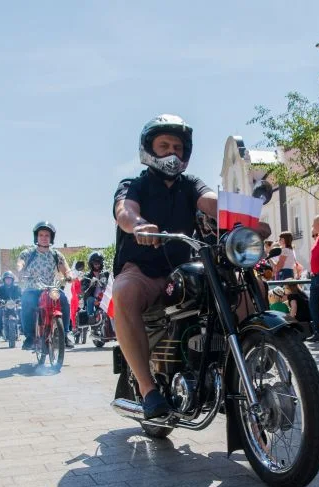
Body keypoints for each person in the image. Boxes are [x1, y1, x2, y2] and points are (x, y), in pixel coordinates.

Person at [112, 114, 269, 420]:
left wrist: (248, 220)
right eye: (164, 145)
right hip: (143, 271)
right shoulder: (134, 185)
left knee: (247, 285)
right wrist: (139, 226)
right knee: (124, 291)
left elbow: (212, 201)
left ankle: (246, 359)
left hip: (182, 271)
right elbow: (124, 211)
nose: (173, 152)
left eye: (178, 147)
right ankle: (148, 390)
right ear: (149, 149)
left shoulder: (190, 185)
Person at [17, 221, 72, 350]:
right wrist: (19, 270)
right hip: (33, 288)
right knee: (27, 301)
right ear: (36, 237)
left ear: (51, 237)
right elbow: (20, 263)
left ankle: (65, 335)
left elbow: (66, 269)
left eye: (47, 235)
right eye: (41, 235)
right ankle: (30, 337)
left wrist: (69, 276)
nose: (44, 237)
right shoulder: (28, 253)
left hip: (51, 288)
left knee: (64, 300)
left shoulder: (56, 254)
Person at [0, 271, 22, 336]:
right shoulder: (0, 288)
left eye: (9, 279)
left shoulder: (16, 287)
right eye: (6, 279)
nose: (8, 280)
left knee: (21, 311)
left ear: (12, 280)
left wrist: (20, 300)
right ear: (4, 280)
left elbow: (21, 295)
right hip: (4, 304)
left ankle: (23, 328)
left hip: (15, 304)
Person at [83, 252, 109, 316]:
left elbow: (110, 285)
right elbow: (84, 290)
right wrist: (91, 284)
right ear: (91, 264)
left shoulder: (106, 274)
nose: (97, 265)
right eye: (95, 263)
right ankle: (91, 318)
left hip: (104, 298)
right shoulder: (87, 276)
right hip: (94, 299)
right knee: (90, 299)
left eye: (99, 263)